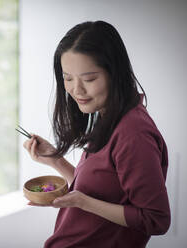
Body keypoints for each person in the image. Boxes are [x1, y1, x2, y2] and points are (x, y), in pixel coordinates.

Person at [23, 20, 170, 248]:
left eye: (89, 79)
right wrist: (55, 160)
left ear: (115, 73)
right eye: (68, 78)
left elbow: (156, 219)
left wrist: (82, 202)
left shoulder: (133, 133)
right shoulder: (107, 116)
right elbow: (101, 190)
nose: (76, 90)